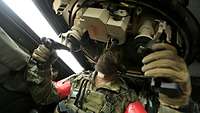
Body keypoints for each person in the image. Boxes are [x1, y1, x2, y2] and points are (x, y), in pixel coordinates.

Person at [28, 42, 191, 113]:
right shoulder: (80, 78)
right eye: (109, 48)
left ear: (122, 68)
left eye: (116, 53)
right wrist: (41, 60)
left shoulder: (127, 97)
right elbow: (44, 96)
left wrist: (174, 92)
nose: (110, 52)